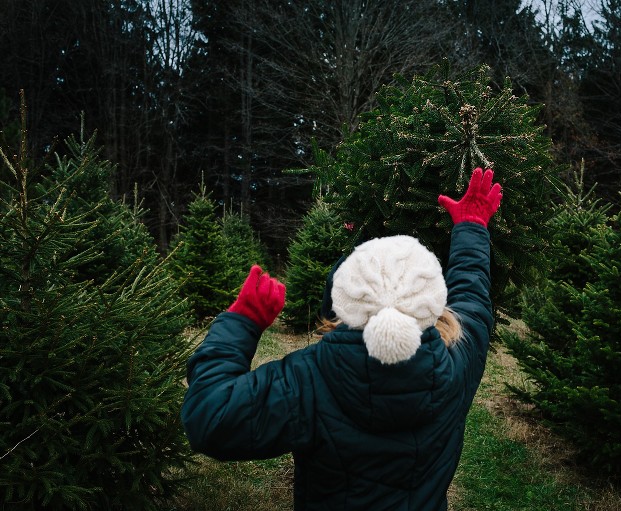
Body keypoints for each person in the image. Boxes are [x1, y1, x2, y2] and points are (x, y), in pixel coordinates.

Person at [181, 168, 502, 510]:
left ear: (342, 301)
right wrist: (471, 225)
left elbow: (209, 418)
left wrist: (241, 323)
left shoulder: (309, 379)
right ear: (430, 298)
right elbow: (472, 295)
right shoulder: (457, 361)